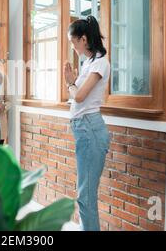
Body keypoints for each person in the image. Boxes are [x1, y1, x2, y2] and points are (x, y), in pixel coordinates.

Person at [64, 15, 111, 231]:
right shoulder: (89, 63)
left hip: (90, 129)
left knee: (86, 197)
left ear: (83, 39)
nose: (73, 47)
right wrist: (73, 85)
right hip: (83, 129)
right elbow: (77, 95)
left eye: (73, 42)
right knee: (84, 195)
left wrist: (70, 83)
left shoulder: (100, 63)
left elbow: (80, 96)